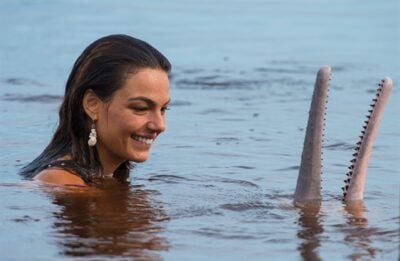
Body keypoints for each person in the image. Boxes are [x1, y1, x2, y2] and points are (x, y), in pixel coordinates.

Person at [19, 34, 171, 186]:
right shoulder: (65, 183)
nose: (160, 125)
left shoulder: (101, 177)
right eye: (141, 108)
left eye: (163, 109)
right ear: (92, 105)